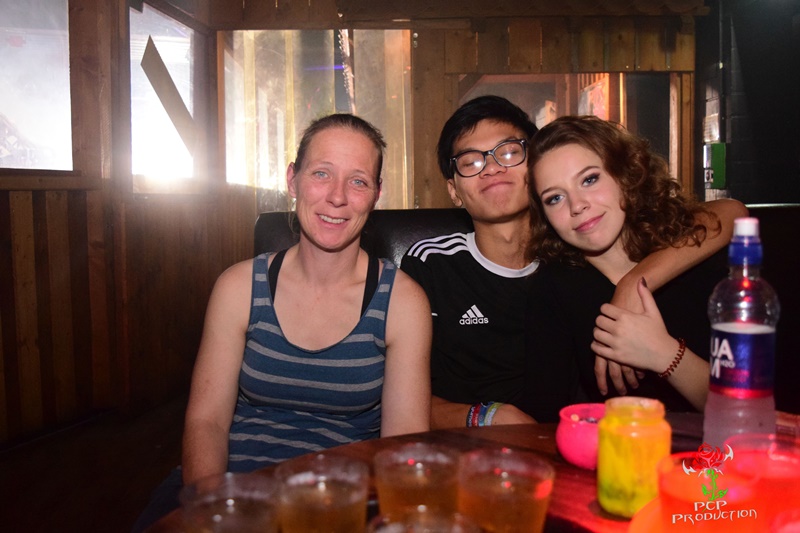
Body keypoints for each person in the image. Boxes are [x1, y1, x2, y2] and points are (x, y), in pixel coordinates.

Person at [133, 113, 431, 531]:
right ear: (293, 180)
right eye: (321, 173)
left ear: (376, 194)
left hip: (337, 501)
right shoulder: (238, 286)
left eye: (358, 181)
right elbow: (207, 422)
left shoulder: (402, 301)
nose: (337, 197)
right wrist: (218, 510)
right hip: (230, 486)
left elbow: (402, 447)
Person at [401, 96, 744, 429]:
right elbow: (404, 396)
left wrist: (634, 285)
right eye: (470, 161)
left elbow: (729, 213)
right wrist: (489, 418)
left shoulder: (680, 256)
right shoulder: (550, 281)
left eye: (508, 152)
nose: (492, 168)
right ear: (453, 190)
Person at [520, 115, 746, 422]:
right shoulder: (553, 289)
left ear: (624, 175)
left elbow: (747, 414)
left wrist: (664, 353)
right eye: (555, 198)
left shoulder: (698, 255)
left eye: (589, 179)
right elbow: (544, 421)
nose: (577, 205)